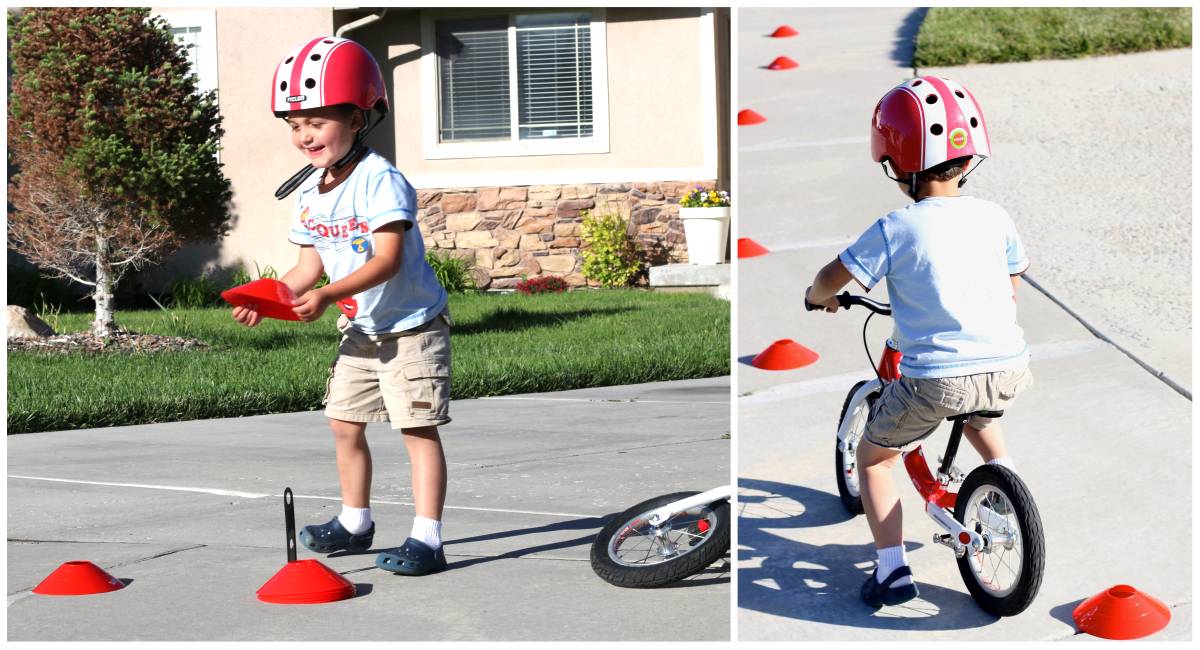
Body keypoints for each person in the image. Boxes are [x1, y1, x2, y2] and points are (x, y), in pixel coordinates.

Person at [805, 75, 1033, 607]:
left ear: (895, 160)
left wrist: (818, 298)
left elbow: (831, 278)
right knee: (978, 414)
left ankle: (891, 572)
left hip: (937, 379)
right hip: (1007, 366)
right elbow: (1013, 281)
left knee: (876, 458)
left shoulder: (895, 228)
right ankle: (1006, 488)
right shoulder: (995, 215)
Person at [233, 35, 452, 576]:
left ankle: (428, 539)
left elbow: (388, 261)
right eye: (294, 125)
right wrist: (268, 298)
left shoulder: (381, 181)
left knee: (416, 429)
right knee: (343, 423)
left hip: (411, 328)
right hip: (361, 331)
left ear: (359, 118)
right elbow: (307, 268)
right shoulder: (311, 192)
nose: (304, 135)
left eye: (317, 122)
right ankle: (355, 522)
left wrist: (330, 294)